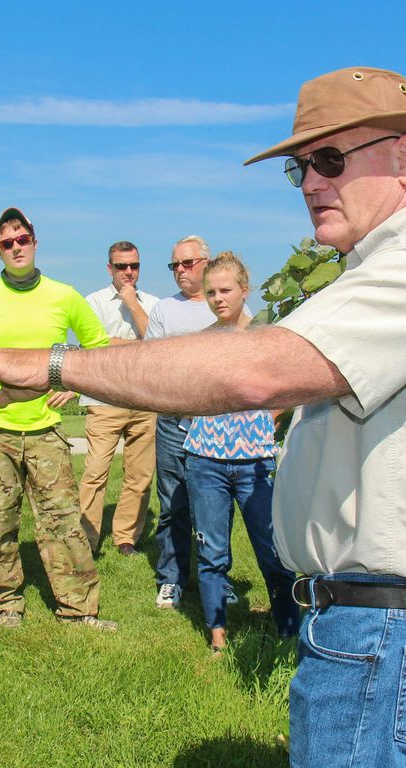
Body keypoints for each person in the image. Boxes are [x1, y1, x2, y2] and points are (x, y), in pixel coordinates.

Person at [0, 66, 406, 768]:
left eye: (331, 160)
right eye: (302, 167)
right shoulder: (395, 267)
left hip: (387, 628)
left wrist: (52, 366)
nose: (310, 182)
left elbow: (254, 371)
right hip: (384, 620)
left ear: (405, 159)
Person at [0, 206, 116, 630]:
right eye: (7, 243)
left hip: (44, 431)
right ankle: (3, 603)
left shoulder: (63, 295)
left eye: (23, 240)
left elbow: (98, 347)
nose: (16, 247)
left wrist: (72, 384)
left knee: (63, 523)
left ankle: (79, 610)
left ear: (35, 242)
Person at [183, 252, 299, 654]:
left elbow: (292, 386)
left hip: (256, 461)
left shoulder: (267, 337)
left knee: (272, 551)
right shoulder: (202, 343)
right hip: (204, 459)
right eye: (211, 291)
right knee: (212, 551)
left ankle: (288, 632)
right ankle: (217, 635)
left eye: (226, 290)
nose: (218, 298)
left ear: (244, 290)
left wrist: (271, 414)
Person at [145, 236, 247, 610]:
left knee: (216, 506)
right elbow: (153, 363)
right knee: (172, 503)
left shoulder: (222, 304)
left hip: (217, 424)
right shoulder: (162, 311)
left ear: (204, 263)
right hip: (172, 422)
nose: (180, 271)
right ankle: (171, 579)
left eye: (187, 263)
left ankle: (219, 580)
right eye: (174, 265)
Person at [79, 241, 160, 555]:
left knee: (139, 474)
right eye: (121, 266)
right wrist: (139, 345)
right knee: (95, 472)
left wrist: (133, 304)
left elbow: (156, 343)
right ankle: (86, 538)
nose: (128, 272)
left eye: (134, 266)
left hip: (144, 399)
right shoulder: (94, 302)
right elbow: (96, 345)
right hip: (104, 397)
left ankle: (126, 538)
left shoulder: (152, 303)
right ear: (109, 268)